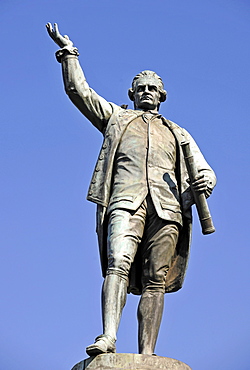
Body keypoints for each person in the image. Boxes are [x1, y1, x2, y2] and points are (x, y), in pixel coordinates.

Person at [46, 23, 216, 357]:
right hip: (125, 201)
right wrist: (69, 54)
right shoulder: (117, 120)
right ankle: (108, 336)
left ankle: (147, 353)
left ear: (162, 95)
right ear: (132, 93)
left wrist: (206, 181)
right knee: (117, 264)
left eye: (154, 88)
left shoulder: (178, 133)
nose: (148, 92)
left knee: (156, 279)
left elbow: (204, 169)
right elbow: (80, 93)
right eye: (141, 87)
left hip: (168, 209)